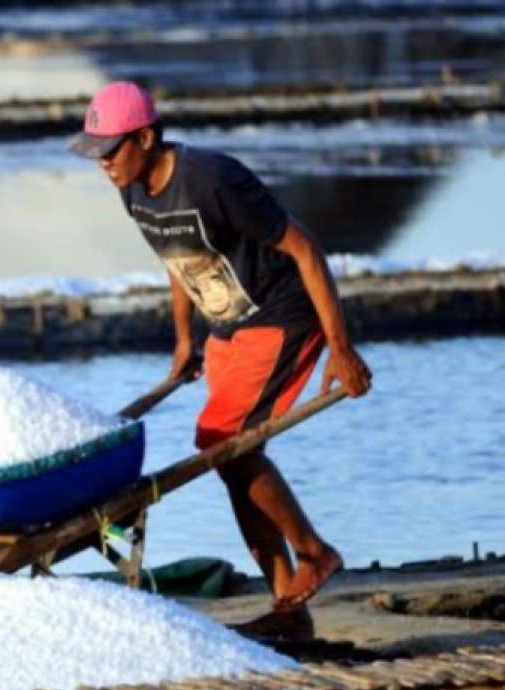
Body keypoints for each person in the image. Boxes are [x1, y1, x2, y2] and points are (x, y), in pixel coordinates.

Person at [70, 81, 372, 635]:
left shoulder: (213, 180)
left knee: (225, 448)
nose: (103, 165)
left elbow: (305, 247)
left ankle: (314, 554)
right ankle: (290, 612)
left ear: (145, 136)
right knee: (229, 461)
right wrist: (184, 342)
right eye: (96, 154)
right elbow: (176, 256)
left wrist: (341, 347)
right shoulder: (133, 188)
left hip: (279, 316)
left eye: (110, 151)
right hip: (228, 328)